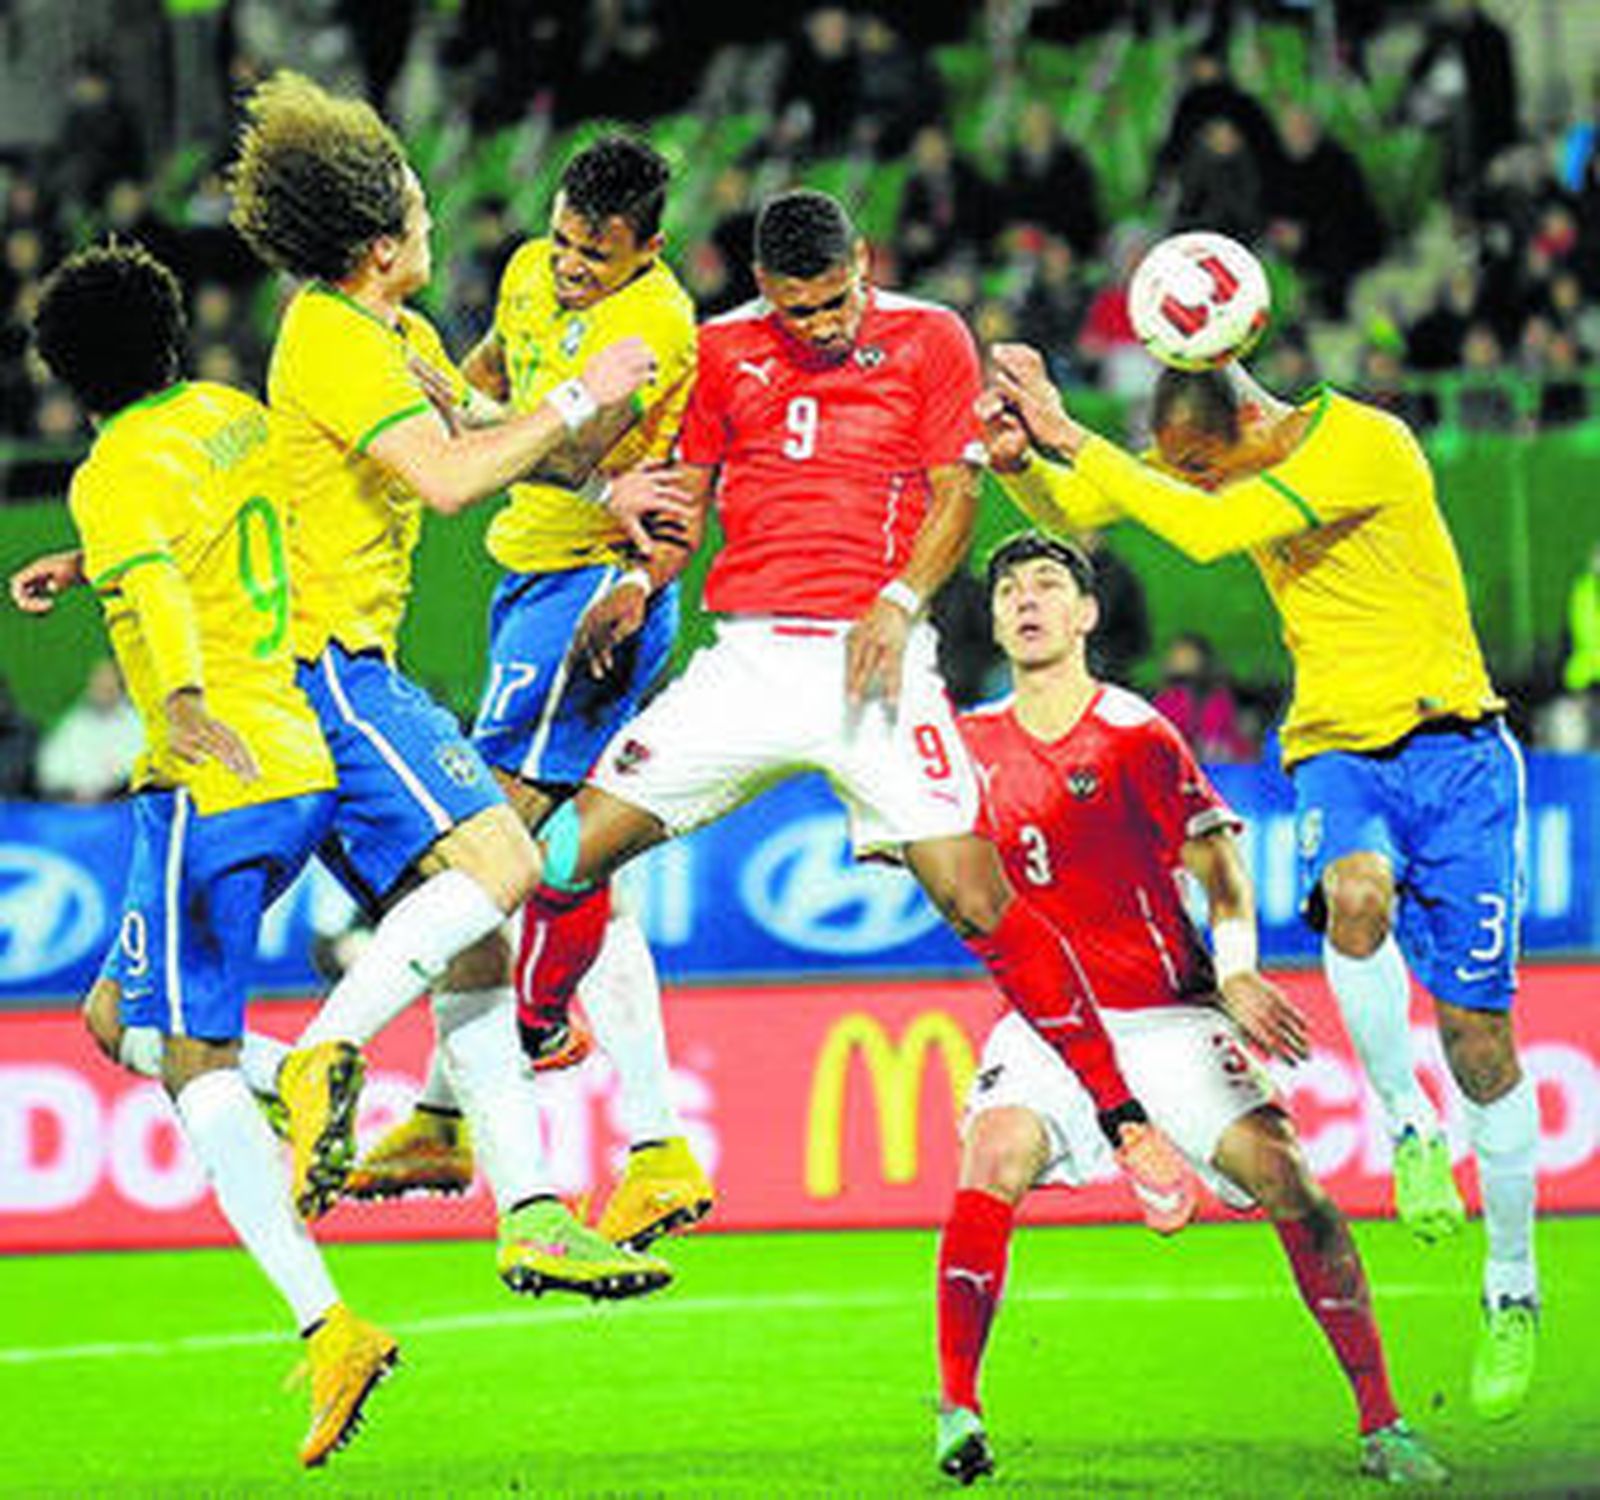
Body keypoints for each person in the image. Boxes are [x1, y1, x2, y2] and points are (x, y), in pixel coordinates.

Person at [518, 189, 1198, 1230]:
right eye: (801, 312)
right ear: (761, 292)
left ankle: (1123, 1118)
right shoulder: (719, 352)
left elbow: (955, 495)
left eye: (839, 302)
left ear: (864, 263)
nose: (826, 326)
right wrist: (637, 585)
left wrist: (895, 602)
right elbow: (684, 505)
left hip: (875, 667)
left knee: (977, 901)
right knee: (561, 855)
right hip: (744, 660)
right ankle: (538, 1023)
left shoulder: (930, 336)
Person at [981, 340, 1541, 1423]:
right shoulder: (1222, 457)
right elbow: (1096, 499)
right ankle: (1407, 1125)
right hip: (1338, 746)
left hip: (1460, 752)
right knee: (1355, 896)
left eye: (1196, 460)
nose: (1186, 474)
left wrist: (1070, 433)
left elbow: (1193, 524)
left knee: (1482, 1039)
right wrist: (1023, 459)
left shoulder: (1366, 444)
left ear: (1240, 431)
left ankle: (1510, 1285)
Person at [225, 70, 681, 1298]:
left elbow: (487, 429)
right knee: (513, 869)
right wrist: (589, 392)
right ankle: (324, 1057)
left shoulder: (396, 336)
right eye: (422, 213)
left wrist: (601, 493)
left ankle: (529, 1211)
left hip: (336, 663)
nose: (441, 224)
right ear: (383, 246)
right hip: (322, 664)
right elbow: (448, 479)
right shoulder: (331, 337)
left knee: (472, 936)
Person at [932, 533, 1448, 1487]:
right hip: (1050, 1026)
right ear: (996, 619)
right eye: (1010, 589)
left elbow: (1221, 871)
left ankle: (1384, 1424)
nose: (1027, 599)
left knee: (1293, 1183)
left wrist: (1241, 970)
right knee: (991, 1157)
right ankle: (957, 1410)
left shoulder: (1135, 732)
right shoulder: (964, 745)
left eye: (1049, 584)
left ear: (1087, 615)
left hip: (1167, 1014)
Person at [25, 241, 395, 1467]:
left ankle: (327, 1323)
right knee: (107, 1015)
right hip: (298, 761)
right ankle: (295, 1074)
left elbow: (172, 599)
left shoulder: (110, 469)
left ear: (69, 378)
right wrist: (94, 570)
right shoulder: (231, 418)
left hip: (205, 777)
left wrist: (179, 698)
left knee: (190, 1062)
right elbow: (227, 538)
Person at [348, 134, 715, 1253]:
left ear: (646, 250)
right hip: (526, 577)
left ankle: (436, 1096)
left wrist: (470, 417)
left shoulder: (653, 325)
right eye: (560, 240)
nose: (566, 267)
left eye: (593, 256)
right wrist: (455, 398)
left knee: (490, 847)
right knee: (571, 864)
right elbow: (490, 385)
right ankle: (652, 1149)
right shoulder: (524, 270)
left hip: (588, 590)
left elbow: (567, 453)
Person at [34, 656, 145, 801]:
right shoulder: (75, 724)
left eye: (109, 686)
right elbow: (50, 769)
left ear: (121, 688)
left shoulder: (135, 725)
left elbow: (134, 771)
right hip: (72, 805)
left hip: (119, 804)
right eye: (98, 684)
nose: (102, 690)